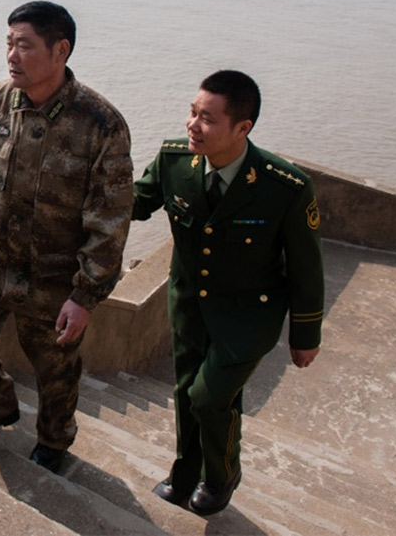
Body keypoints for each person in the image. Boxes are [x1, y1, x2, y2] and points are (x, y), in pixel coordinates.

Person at [0, 1, 133, 473]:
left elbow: (110, 218)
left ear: (60, 50)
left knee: (55, 370)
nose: (12, 55)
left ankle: (54, 441)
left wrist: (84, 295)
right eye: (8, 44)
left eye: (24, 45)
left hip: (55, 277)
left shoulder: (101, 124)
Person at [131, 70, 324, 515]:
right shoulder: (174, 161)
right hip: (191, 305)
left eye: (208, 119)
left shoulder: (284, 187)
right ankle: (185, 475)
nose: (193, 125)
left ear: (243, 128)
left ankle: (221, 477)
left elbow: (306, 266)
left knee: (208, 396)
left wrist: (305, 334)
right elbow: (134, 203)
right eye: (192, 113)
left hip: (249, 314)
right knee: (186, 392)